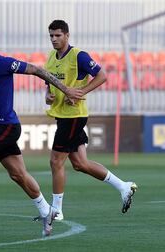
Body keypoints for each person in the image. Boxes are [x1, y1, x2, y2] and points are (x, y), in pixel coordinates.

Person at [0, 26, 84, 236]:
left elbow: (37, 70)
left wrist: (65, 89)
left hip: (7, 126)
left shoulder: (2, 63)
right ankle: (47, 211)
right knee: (18, 175)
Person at [43, 20, 137, 221]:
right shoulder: (51, 57)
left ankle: (56, 211)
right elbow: (48, 83)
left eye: (58, 35)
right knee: (80, 164)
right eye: (51, 35)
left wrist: (81, 92)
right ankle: (124, 186)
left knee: (55, 161)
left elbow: (102, 76)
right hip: (62, 115)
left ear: (67, 35)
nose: (54, 39)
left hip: (74, 116)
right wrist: (47, 95)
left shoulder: (79, 56)